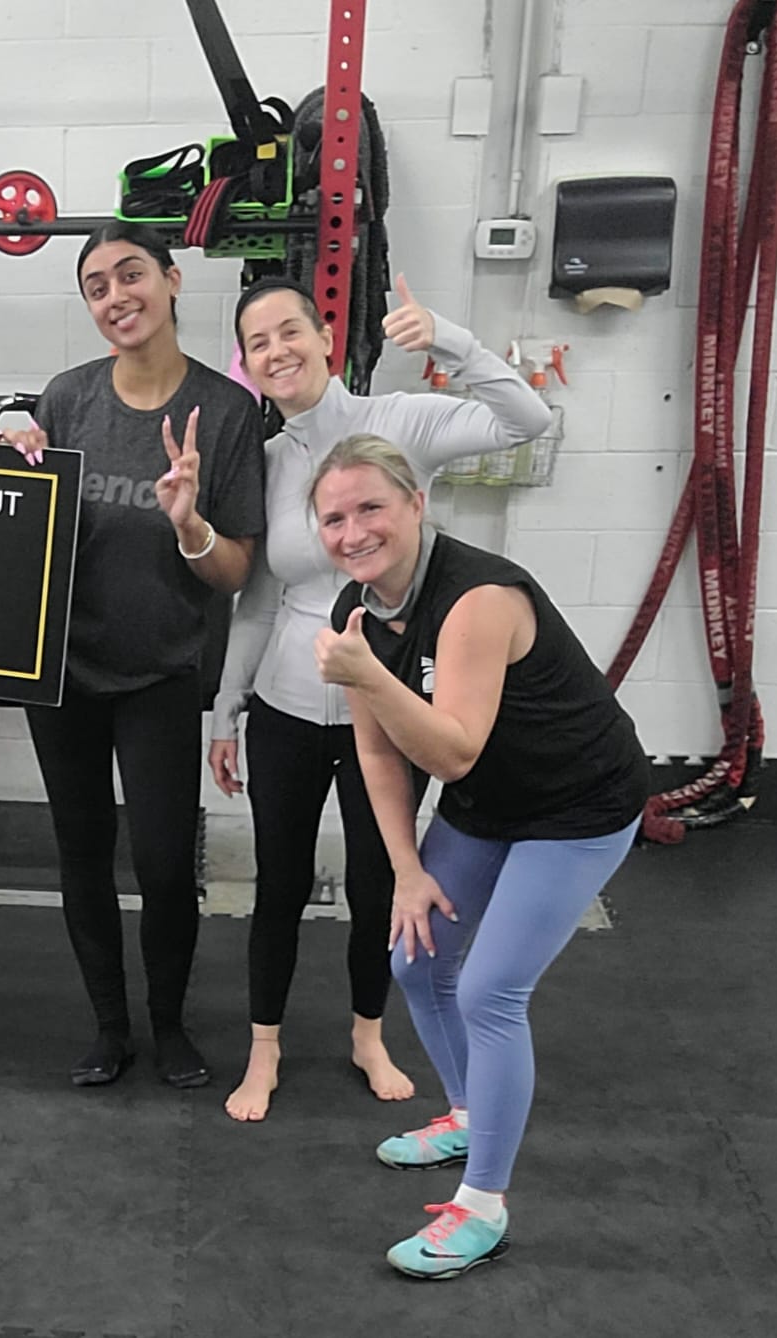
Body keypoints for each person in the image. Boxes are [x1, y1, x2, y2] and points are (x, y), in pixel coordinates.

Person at [211, 276, 553, 1122]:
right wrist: (226, 704)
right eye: (258, 342)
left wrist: (448, 339)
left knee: (379, 882)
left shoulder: (399, 421)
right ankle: (265, 1048)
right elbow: (254, 598)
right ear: (248, 364)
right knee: (279, 883)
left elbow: (528, 421)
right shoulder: (266, 461)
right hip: (289, 707)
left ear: (325, 335)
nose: (277, 351)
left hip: (392, 703)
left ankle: (369, 1032)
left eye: (290, 330)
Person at [308, 434, 646, 1278]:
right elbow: (381, 755)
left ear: (417, 504)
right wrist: (407, 874)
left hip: (579, 805)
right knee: (416, 958)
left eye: (371, 508)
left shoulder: (478, 599)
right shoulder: (355, 613)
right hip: (488, 806)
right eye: (334, 518)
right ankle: (469, 1111)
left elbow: (451, 750)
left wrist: (366, 674)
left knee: (493, 988)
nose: (354, 532)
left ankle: (484, 1205)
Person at [0, 221, 266, 1089]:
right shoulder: (68, 398)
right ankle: (110, 1027)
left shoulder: (225, 413)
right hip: (62, 671)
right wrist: (11, 460)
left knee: (158, 860)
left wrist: (190, 526)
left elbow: (235, 572)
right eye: (97, 286)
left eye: (131, 274)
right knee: (81, 852)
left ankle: (170, 1025)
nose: (117, 296)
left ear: (174, 280)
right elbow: (24, 527)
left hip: (159, 673)